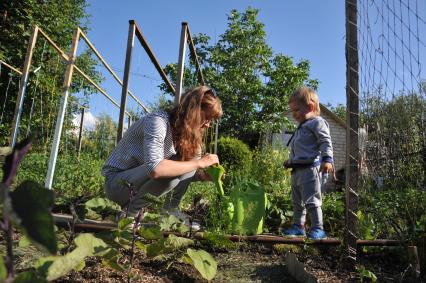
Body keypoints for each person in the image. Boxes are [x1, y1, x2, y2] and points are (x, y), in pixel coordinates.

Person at [102, 86, 222, 229]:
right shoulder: (158, 121)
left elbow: (186, 173)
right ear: (193, 112)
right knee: (170, 174)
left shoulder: (189, 135)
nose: (208, 125)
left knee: (189, 162)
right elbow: (155, 169)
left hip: (134, 184)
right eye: (206, 118)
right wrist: (200, 163)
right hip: (116, 184)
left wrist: (204, 175)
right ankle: (129, 214)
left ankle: (169, 211)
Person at [282, 86, 334, 239]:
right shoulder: (301, 126)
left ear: (310, 107)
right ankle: (299, 226)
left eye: (296, 110)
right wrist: (290, 162)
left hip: (310, 170)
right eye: (292, 111)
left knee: (312, 200)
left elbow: (325, 141)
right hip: (297, 171)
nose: (294, 114)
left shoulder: (317, 123)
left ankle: (319, 228)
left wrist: (327, 159)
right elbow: (301, 150)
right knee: (297, 201)